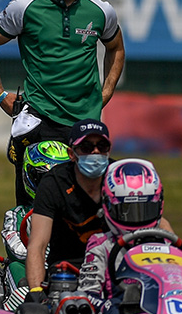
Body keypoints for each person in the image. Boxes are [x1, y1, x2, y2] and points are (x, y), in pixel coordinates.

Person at [0, 0, 127, 204]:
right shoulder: (24, 8)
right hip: (39, 121)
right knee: (33, 207)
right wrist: (0, 95)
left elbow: (116, 48)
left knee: (88, 205)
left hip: (86, 122)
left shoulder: (102, 11)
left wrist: (106, 91)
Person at [22, 119, 116, 300]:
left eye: (102, 146)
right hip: (67, 274)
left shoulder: (120, 176)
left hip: (114, 269)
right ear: (71, 154)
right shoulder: (53, 183)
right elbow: (38, 245)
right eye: (87, 147)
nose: (95, 152)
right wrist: (35, 292)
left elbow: (155, 222)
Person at [77, 158, 175, 308]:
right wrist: (109, 307)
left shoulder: (167, 245)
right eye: (127, 212)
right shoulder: (101, 245)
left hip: (164, 313)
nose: (136, 221)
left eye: (144, 210)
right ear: (107, 206)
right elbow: (87, 295)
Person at [0, 140, 72, 293]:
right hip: (32, 274)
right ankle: (27, 299)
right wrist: (41, 256)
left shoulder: (76, 211)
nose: (52, 187)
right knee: (15, 267)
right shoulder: (16, 215)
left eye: (60, 180)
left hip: (68, 270)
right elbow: (16, 250)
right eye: (46, 179)